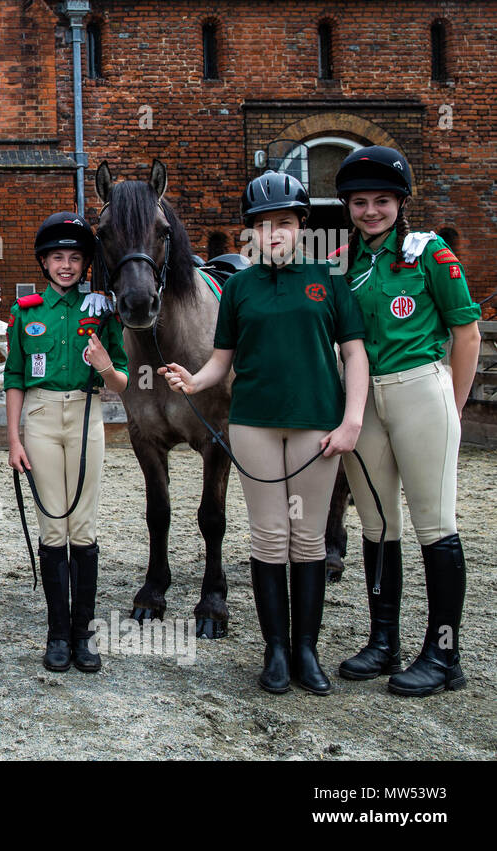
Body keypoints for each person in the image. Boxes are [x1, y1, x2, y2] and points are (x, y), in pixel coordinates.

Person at [161, 172, 369, 695]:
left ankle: (307, 650)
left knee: (308, 540)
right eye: (262, 225)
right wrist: (193, 379)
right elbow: (221, 362)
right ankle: (275, 648)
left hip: (316, 425)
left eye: (284, 223)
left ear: (301, 225)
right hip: (252, 424)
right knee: (270, 537)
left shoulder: (330, 281)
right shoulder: (239, 288)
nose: (273, 233)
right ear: (250, 232)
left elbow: (354, 355)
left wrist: (352, 421)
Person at [331, 146, 481, 696]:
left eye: (382, 201)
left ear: (400, 203)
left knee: (435, 524)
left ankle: (444, 654)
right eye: (360, 202)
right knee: (377, 524)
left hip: (420, 388)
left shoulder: (429, 254)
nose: (371, 211)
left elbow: (466, 332)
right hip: (364, 399)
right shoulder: (345, 261)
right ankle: (384, 640)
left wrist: (454, 408)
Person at [5, 213, 128, 673]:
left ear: (86, 265)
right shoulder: (26, 312)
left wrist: (103, 365)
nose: (66, 266)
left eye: (75, 258)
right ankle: (57, 633)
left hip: (85, 414)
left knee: (84, 527)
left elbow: (122, 383)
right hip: (38, 416)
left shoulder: (100, 311)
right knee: (53, 526)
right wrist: (13, 437)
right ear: (43, 261)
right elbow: (14, 376)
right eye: (57, 257)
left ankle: (84, 633)